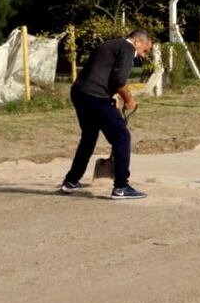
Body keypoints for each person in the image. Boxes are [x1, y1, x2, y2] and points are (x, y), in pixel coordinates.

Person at [61, 29, 153, 199]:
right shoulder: (127, 48)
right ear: (137, 42)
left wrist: (110, 95)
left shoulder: (109, 44)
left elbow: (101, 72)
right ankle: (121, 186)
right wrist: (128, 99)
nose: (143, 55)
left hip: (80, 93)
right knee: (121, 136)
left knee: (89, 136)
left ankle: (71, 180)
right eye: (145, 50)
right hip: (96, 96)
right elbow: (119, 80)